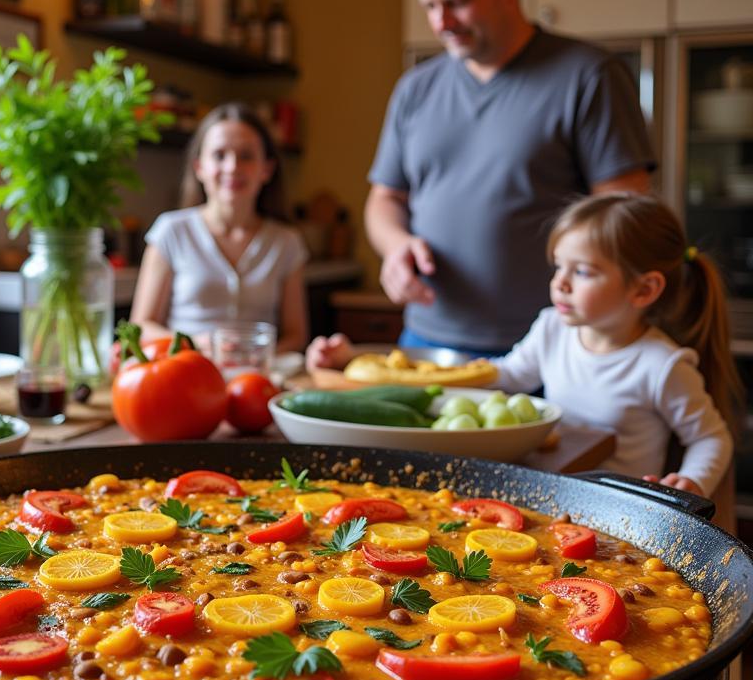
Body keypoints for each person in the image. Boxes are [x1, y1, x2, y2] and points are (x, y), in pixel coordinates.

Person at [311, 194, 740, 498]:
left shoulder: (661, 365)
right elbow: (505, 374)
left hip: (621, 512)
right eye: (559, 267)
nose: (561, 282)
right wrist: (354, 360)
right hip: (553, 498)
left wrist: (692, 481)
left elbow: (711, 438)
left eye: (584, 271)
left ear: (644, 290)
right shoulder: (553, 328)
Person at [366, 0, 654, 356]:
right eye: (429, 6)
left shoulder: (589, 76)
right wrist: (396, 246)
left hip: (551, 349)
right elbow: (385, 199)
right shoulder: (416, 88)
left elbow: (624, 212)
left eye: (457, 1)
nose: (441, 22)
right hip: (425, 340)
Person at [130, 103, 308, 353]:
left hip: (255, 378)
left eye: (246, 156)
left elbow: (295, 335)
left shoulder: (287, 242)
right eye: (219, 155)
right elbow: (142, 327)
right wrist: (194, 345)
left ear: (266, 169)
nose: (232, 167)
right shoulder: (171, 231)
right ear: (199, 167)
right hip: (185, 371)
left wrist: (253, 356)